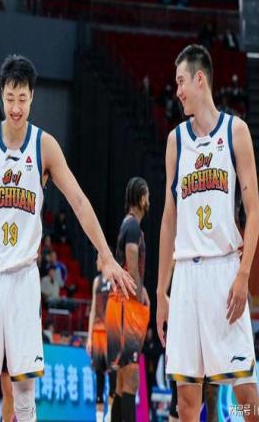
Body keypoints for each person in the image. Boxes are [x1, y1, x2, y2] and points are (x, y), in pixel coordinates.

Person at [0, 54, 136, 421]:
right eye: (10, 98)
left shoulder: (44, 146)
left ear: (32, 97)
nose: (16, 107)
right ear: (2, 94)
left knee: (23, 393)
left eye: (22, 98)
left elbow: (79, 201)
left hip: (22, 280)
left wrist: (107, 256)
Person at [156, 44, 259, 421]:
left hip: (223, 272)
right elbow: (169, 218)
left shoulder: (236, 132)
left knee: (247, 398)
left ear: (200, 79)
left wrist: (243, 274)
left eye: (181, 82)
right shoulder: (176, 141)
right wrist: (162, 290)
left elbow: (254, 213)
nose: (178, 91)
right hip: (186, 275)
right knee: (187, 403)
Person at [106, 177, 151, 422]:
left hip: (118, 304)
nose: (149, 200)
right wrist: (140, 297)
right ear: (142, 198)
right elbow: (132, 269)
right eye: (148, 195)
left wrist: (142, 291)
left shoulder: (127, 224)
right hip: (126, 306)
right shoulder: (133, 226)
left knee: (122, 379)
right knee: (131, 377)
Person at [86, 257, 114, 422]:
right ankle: (98, 418)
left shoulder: (114, 279)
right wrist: (89, 337)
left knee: (112, 376)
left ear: (103, 260)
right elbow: (93, 310)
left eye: (97, 259)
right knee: (99, 377)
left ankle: (109, 416)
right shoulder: (97, 281)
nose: (96, 262)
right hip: (97, 333)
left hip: (110, 334)